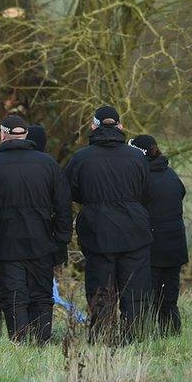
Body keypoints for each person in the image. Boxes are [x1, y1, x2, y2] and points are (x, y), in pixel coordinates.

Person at [0, 115, 72, 343]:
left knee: (13, 295)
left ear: (3, 135)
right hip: (42, 241)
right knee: (41, 294)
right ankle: (42, 340)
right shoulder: (48, 164)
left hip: (5, 243)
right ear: (26, 135)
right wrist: (61, 239)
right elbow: (63, 205)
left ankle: (19, 342)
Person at [64, 106, 152, 342]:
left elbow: (70, 191)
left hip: (97, 230)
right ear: (120, 127)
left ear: (94, 126)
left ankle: (101, 337)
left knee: (100, 288)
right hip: (134, 230)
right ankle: (133, 338)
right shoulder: (137, 157)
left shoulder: (81, 158)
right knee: (134, 289)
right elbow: (146, 190)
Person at [129, 135, 188, 335]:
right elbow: (181, 193)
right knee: (169, 299)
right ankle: (172, 335)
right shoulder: (170, 174)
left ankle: (143, 336)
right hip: (175, 245)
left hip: (152, 246)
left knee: (146, 297)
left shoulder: (142, 179)